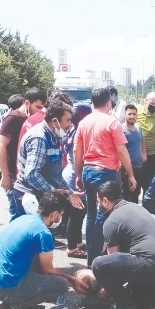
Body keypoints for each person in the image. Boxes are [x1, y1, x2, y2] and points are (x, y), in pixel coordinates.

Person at [0, 192, 86, 309]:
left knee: (39, 261)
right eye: (61, 214)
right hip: (4, 285)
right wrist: (73, 280)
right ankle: (11, 308)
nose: (60, 218)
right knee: (61, 284)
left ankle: (22, 301)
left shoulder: (24, 219)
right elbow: (48, 270)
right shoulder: (43, 233)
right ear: (55, 214)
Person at [90, 182, 155, 309]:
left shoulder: (111, 222)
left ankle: (125, 306)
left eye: (98, 201)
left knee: (99, 264)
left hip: (151, 266)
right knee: (133, 291)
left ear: (105, 201)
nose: (98, 205)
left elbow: (113, 264)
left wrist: (105, 289)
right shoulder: (137, 208)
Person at [74, 88, 137, 267]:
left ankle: (91, 259)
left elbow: (77, 151)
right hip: (106, 173)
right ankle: (101, 260)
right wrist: (131, 174)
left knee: (92, 215)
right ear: (109, 102)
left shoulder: (83, 122)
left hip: (88, 171)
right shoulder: (112, 122)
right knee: (107, 215)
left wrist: (79, 174)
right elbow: (121, 150)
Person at [12, 98, 83, 218]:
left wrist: (70, 193)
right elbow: (32, 174)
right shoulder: (39, 138)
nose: (70, 124)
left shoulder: (54, 136)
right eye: (68, 120)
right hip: (30, 197)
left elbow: (56, 174)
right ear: (55, 121)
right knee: (32, 234)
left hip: (42, 195)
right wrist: (52, 191)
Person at [63, 104, 93, 259]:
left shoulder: (74, 130)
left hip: (73, 173)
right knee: (77, 212)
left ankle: (77, 242)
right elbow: (78, 157)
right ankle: (72, 247)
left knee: (80, 212)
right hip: (75, 174)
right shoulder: (78, 132)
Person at [0, 93, 29, 219]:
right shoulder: (12, 117)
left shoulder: (24, 118)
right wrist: (5, 175)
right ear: (26, 103)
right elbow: (1, 146)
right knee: (17, 217)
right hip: (13, 177)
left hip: (23, 175)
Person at [136, 92, 155, 193]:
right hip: (136, 155)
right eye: (152, 103)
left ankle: (146, 208)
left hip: (151, 155)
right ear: (145, 101)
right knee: (134, 186)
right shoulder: (136, 112)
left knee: (148, 185)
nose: (153, 106)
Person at [122, 104, 143, 203]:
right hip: (125, 170)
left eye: (134, 114)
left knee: (136, 195)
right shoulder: (121, 130)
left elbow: (142, 141)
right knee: (125, 196)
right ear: (124, 115)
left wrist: (144, 154)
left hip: (138, 168)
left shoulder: (139, 128)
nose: (132, 116)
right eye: (129, 114)